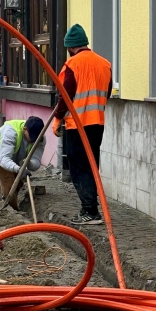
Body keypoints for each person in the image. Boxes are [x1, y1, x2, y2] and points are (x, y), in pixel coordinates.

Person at [52, 24, 113, 226]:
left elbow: (66, 96)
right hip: (97, 123)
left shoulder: (72, 65)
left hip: (78, 125)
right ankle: (91, 207)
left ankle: (90, 210)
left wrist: (57, 118)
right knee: (92, 164)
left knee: (79, 166)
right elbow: (107, 92)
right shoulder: (105, 64)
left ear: (70, 47)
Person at [0, 116, 46, 208]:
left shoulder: (41, 139)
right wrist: (20, 169)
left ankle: (10, 203)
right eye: (32, 137)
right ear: (25, 129)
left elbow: (36, 162)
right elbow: (4, 160)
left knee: (18, 182)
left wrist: (29, 163)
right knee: (9, 182)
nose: (33, 141)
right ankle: (12, 210)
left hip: (15, 158)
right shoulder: (11, 132)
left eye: (37, 138)